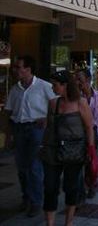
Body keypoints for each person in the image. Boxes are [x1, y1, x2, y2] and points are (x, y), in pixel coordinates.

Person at [4, 55, 56, 217]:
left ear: (28, 69)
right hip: (19, 129)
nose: (15, 70)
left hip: (36, 130)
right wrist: (8, 135)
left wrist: (47, 119)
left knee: (34, 167)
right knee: (22, 167)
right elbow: (8, 112)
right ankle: (26, 197)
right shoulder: (15, 89)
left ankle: (36, 201)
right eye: (15, 67)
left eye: (19, 67)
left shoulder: (44, 86)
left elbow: (56, 106)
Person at [42, 70, 95, 226]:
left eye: (55, 85)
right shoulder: (53, 103)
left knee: (71, 187)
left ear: (65, 85)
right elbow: (49, 127)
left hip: (74, 150)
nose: (52, 88)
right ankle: (50, 223)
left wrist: (91, 149)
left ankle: (68, 222)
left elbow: (89, 127)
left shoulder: (81, 103)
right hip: (53, 150)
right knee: (50, 187)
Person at [76, 68, 98, 199]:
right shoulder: (75, 98)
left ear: (88, 80)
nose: (78, 83)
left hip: (93, 131)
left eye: (80, 80)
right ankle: (79, 191)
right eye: (76, 80)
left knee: (91, 161)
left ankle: (91, 184)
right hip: (77, 132)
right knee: (78, 162)